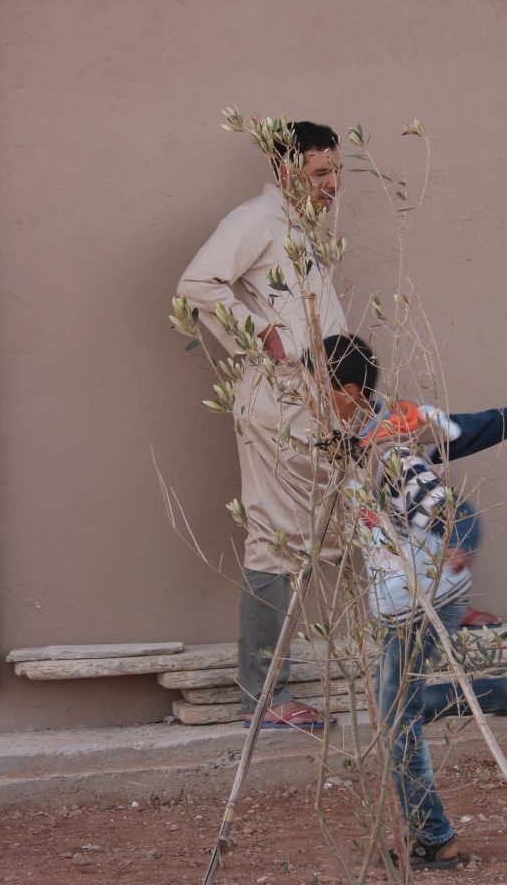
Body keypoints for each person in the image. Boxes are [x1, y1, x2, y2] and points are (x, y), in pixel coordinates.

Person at [321, 334, 507, 871]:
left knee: (396, 719)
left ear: (348, 391)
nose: (308, 398)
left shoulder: (390, 446)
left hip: (421, 598)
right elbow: (468, 429)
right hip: (411, 594)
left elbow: (450, 503)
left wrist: (460, 542)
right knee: (402, 708)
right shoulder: (366, 429)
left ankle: (435, 838)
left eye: (316, 386)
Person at [177, 122, 347, 729]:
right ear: (286, 172)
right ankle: (267, 695)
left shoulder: (299, 228)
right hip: (278, 401)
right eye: (321, 172)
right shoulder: (256, 218)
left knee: (360, 511)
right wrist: (263, 336)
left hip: (321, 403)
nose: (333, 184)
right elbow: (197, 283)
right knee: (276, 536)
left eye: (337, 171)